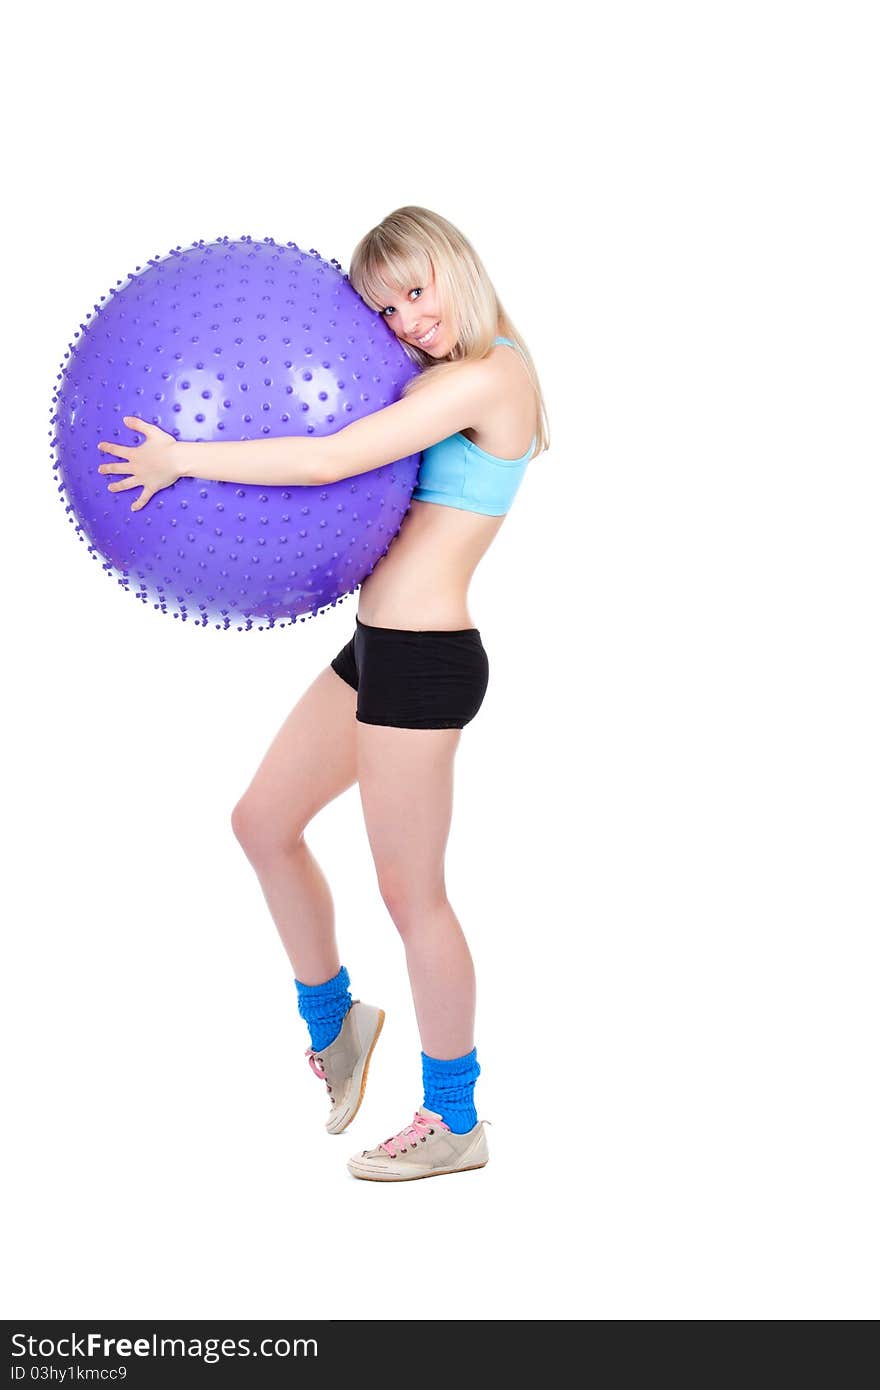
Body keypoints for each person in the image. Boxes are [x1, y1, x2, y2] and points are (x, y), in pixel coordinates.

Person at [96, 206, 550, 1182]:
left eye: (417, 292)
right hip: (375, 652)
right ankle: (337, 1024)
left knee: (412, 896)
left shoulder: (491, 377)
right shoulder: (441, 373)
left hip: (424, 665)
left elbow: (330, 457)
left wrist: (181, 458)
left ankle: (455, 1118)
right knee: (261, 820)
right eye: (386, 311)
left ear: (456, 266)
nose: (408, 321)